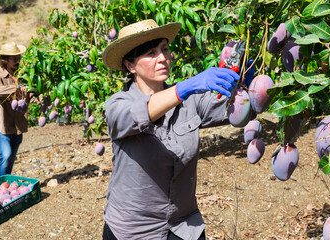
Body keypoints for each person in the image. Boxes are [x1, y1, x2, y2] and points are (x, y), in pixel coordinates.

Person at [102, 19, 254, 240]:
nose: (163, 57)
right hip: (133, 230)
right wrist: (186, 87)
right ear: (130, 65)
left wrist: (246, 87)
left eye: (164, 49)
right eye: (151, 53)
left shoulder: (190, 101)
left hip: (184, 227)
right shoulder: (118, 105)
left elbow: (232, 112)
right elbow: (137, 114)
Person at [0, 42, 35, 177]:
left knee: (10, 159)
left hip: (17, 126)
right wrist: (19, 88)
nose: (17, 61)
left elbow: (30, 95)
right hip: (1, 125)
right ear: (5, 60)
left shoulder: (24, 76)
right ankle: (1, 185)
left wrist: (41, 98)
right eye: (13, 58)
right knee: (6, 154)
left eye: (18, 57)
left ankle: (5, 186)